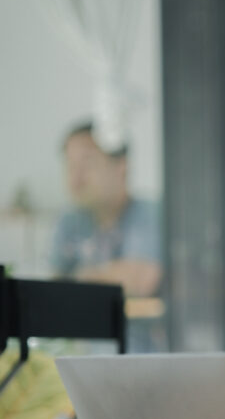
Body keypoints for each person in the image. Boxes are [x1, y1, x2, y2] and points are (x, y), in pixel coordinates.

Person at [52, 121, 163, 351]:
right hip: (82, 360)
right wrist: (110, 275)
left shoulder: (150, 215)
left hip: (144, 359)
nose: (76, 177)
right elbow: (51, 290)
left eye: (87, 163)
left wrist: (77, 277)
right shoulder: (69, 222)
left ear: (120, 166)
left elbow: (140, 281)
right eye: (70, 166)